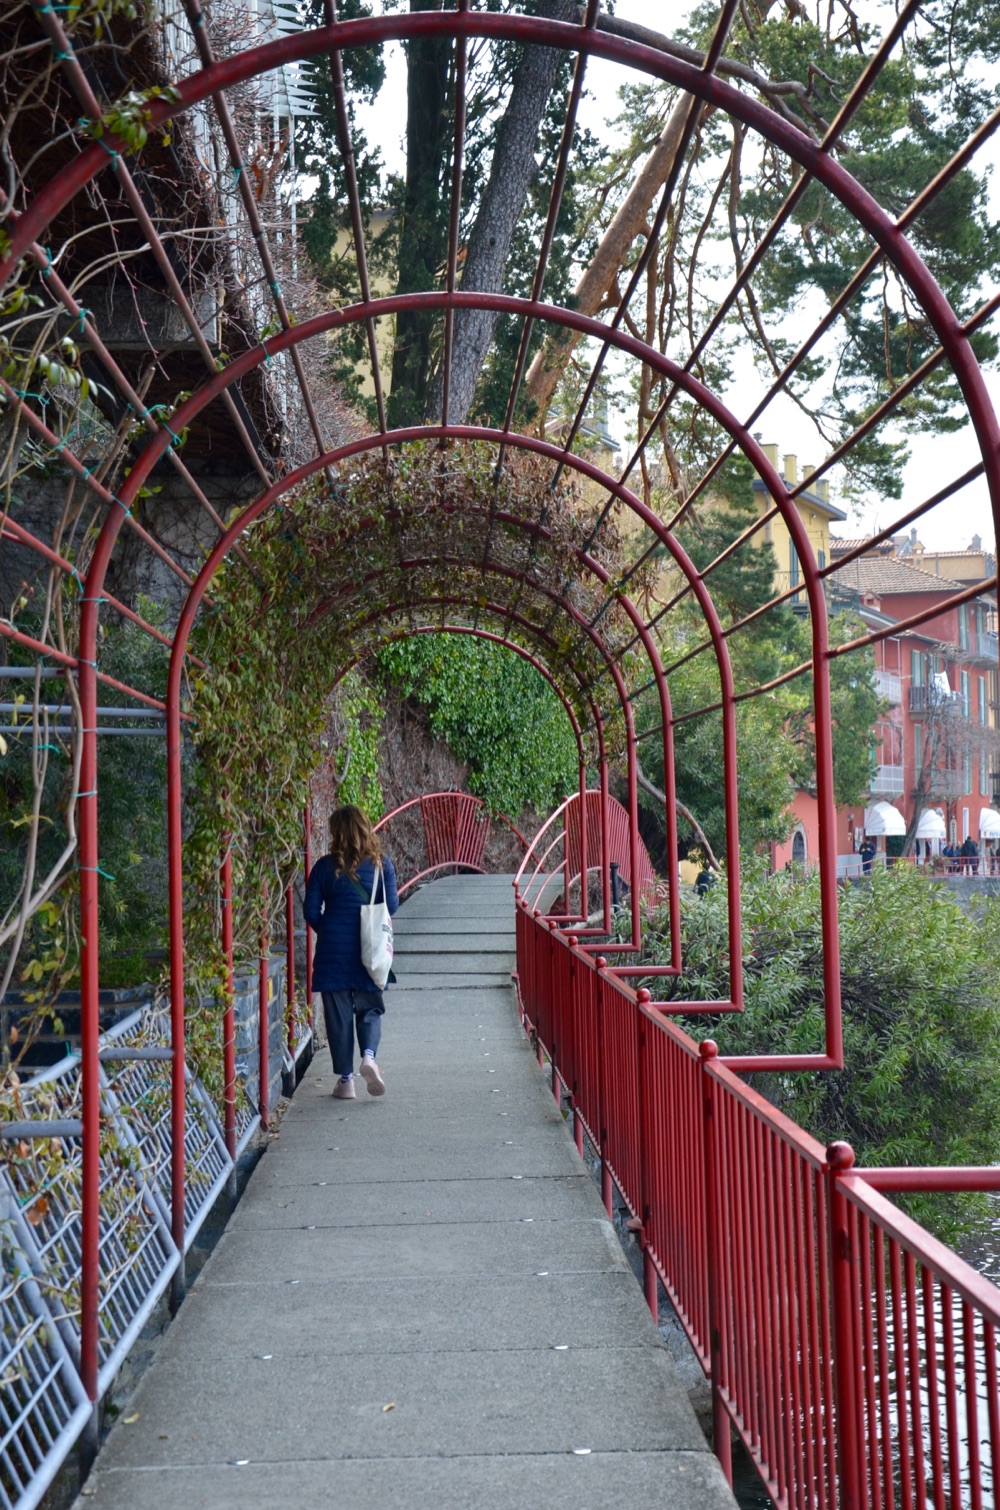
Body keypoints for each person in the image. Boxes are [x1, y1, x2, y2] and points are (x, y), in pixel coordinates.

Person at [304, 805, 399, 1100]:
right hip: (369, 949)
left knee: (339, 1016)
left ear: (336, 832)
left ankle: (346, 1082)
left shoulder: (323, 867)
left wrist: (329, 930)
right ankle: (369, 1056)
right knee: (370, 1007)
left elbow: (310, 911)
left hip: (333, 952)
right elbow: (392, 906)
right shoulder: (382, 865)